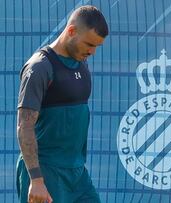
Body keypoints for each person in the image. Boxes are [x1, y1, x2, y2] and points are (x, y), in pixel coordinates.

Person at [16, 5, 108, 203]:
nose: (92, 52)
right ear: (72, 31)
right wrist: (37, 180)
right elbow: (24, 126)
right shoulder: (39, 67)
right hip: (46, 174)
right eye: (89, 44)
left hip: (77, 174)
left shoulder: (81, 61)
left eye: (96, 47)